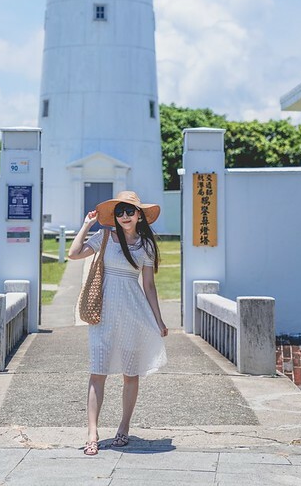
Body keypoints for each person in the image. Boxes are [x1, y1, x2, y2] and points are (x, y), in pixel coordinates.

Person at [68, 190, 168, 456]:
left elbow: (148, 286)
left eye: (129, 211)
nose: (124, 216)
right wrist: (87, 224)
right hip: (103, 315)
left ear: (139, 215)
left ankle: (123, 428)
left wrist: (159, 320)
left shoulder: (145, 246)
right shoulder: (103, 238)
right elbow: (74, 253)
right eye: (120, 212)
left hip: (134, 315)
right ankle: (92, 433)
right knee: (97, 372)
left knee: (130, 375)